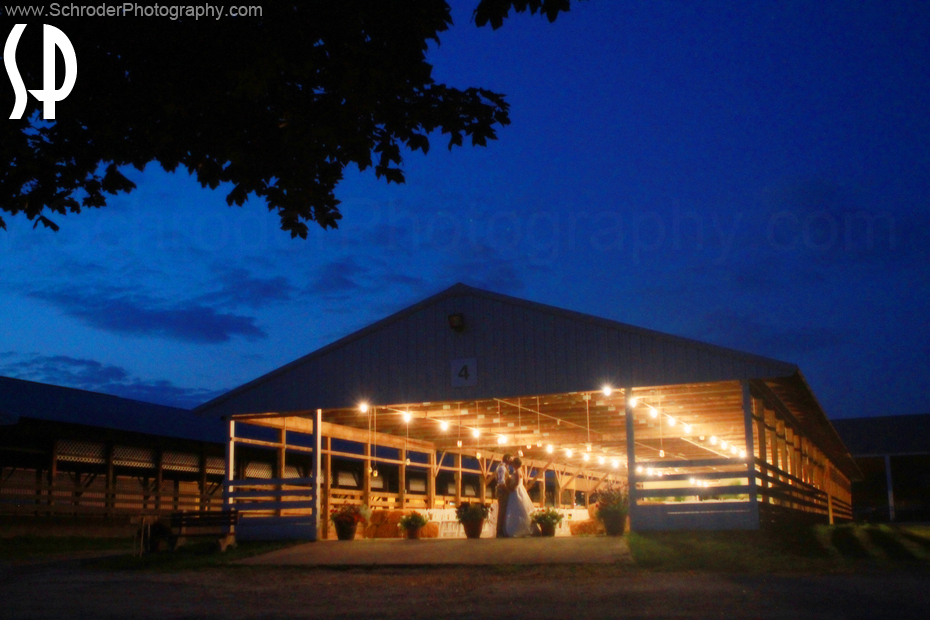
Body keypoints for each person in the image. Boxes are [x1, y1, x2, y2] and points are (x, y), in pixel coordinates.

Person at [505, 457, 535, 538]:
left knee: (516, 508)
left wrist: (511, 488)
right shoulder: (520, 471)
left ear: (515, 464)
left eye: (513, 464)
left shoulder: (518, 471)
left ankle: (517, 529)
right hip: (519, 489)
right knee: (519, 509)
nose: (512, 465)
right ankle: (519, 528)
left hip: (516, 490)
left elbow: (517, 482)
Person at [494, 453, 513, 538]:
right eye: (510, 459)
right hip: (502, 492)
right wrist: (508, 491)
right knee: (502, 512)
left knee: (504, 511)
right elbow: (501, 482)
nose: (511, 461)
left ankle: (502, 530)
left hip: (503, 491)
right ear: (507, 459)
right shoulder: (502, 468)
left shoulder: (504, 467)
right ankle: (499, 531)